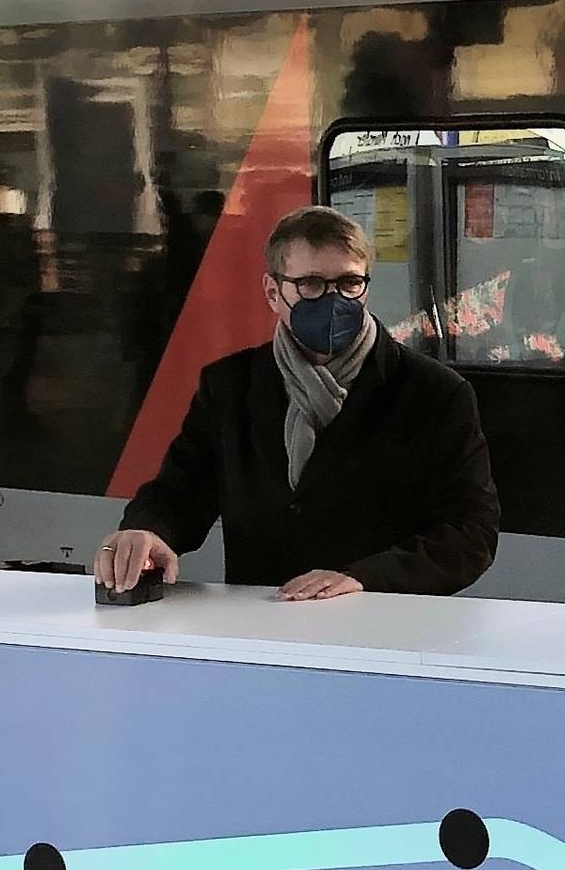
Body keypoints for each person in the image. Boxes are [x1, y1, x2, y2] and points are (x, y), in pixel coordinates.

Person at [95, 206, 500, 600]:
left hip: (383, 626)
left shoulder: (434, 392)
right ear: (273, 292)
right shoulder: (231, 386)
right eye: (310, 284)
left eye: (349, 283)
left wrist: (362, 578)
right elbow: (180, 492)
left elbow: (470, 531)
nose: (334, 299)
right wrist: (147, 531)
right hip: (264, 625)